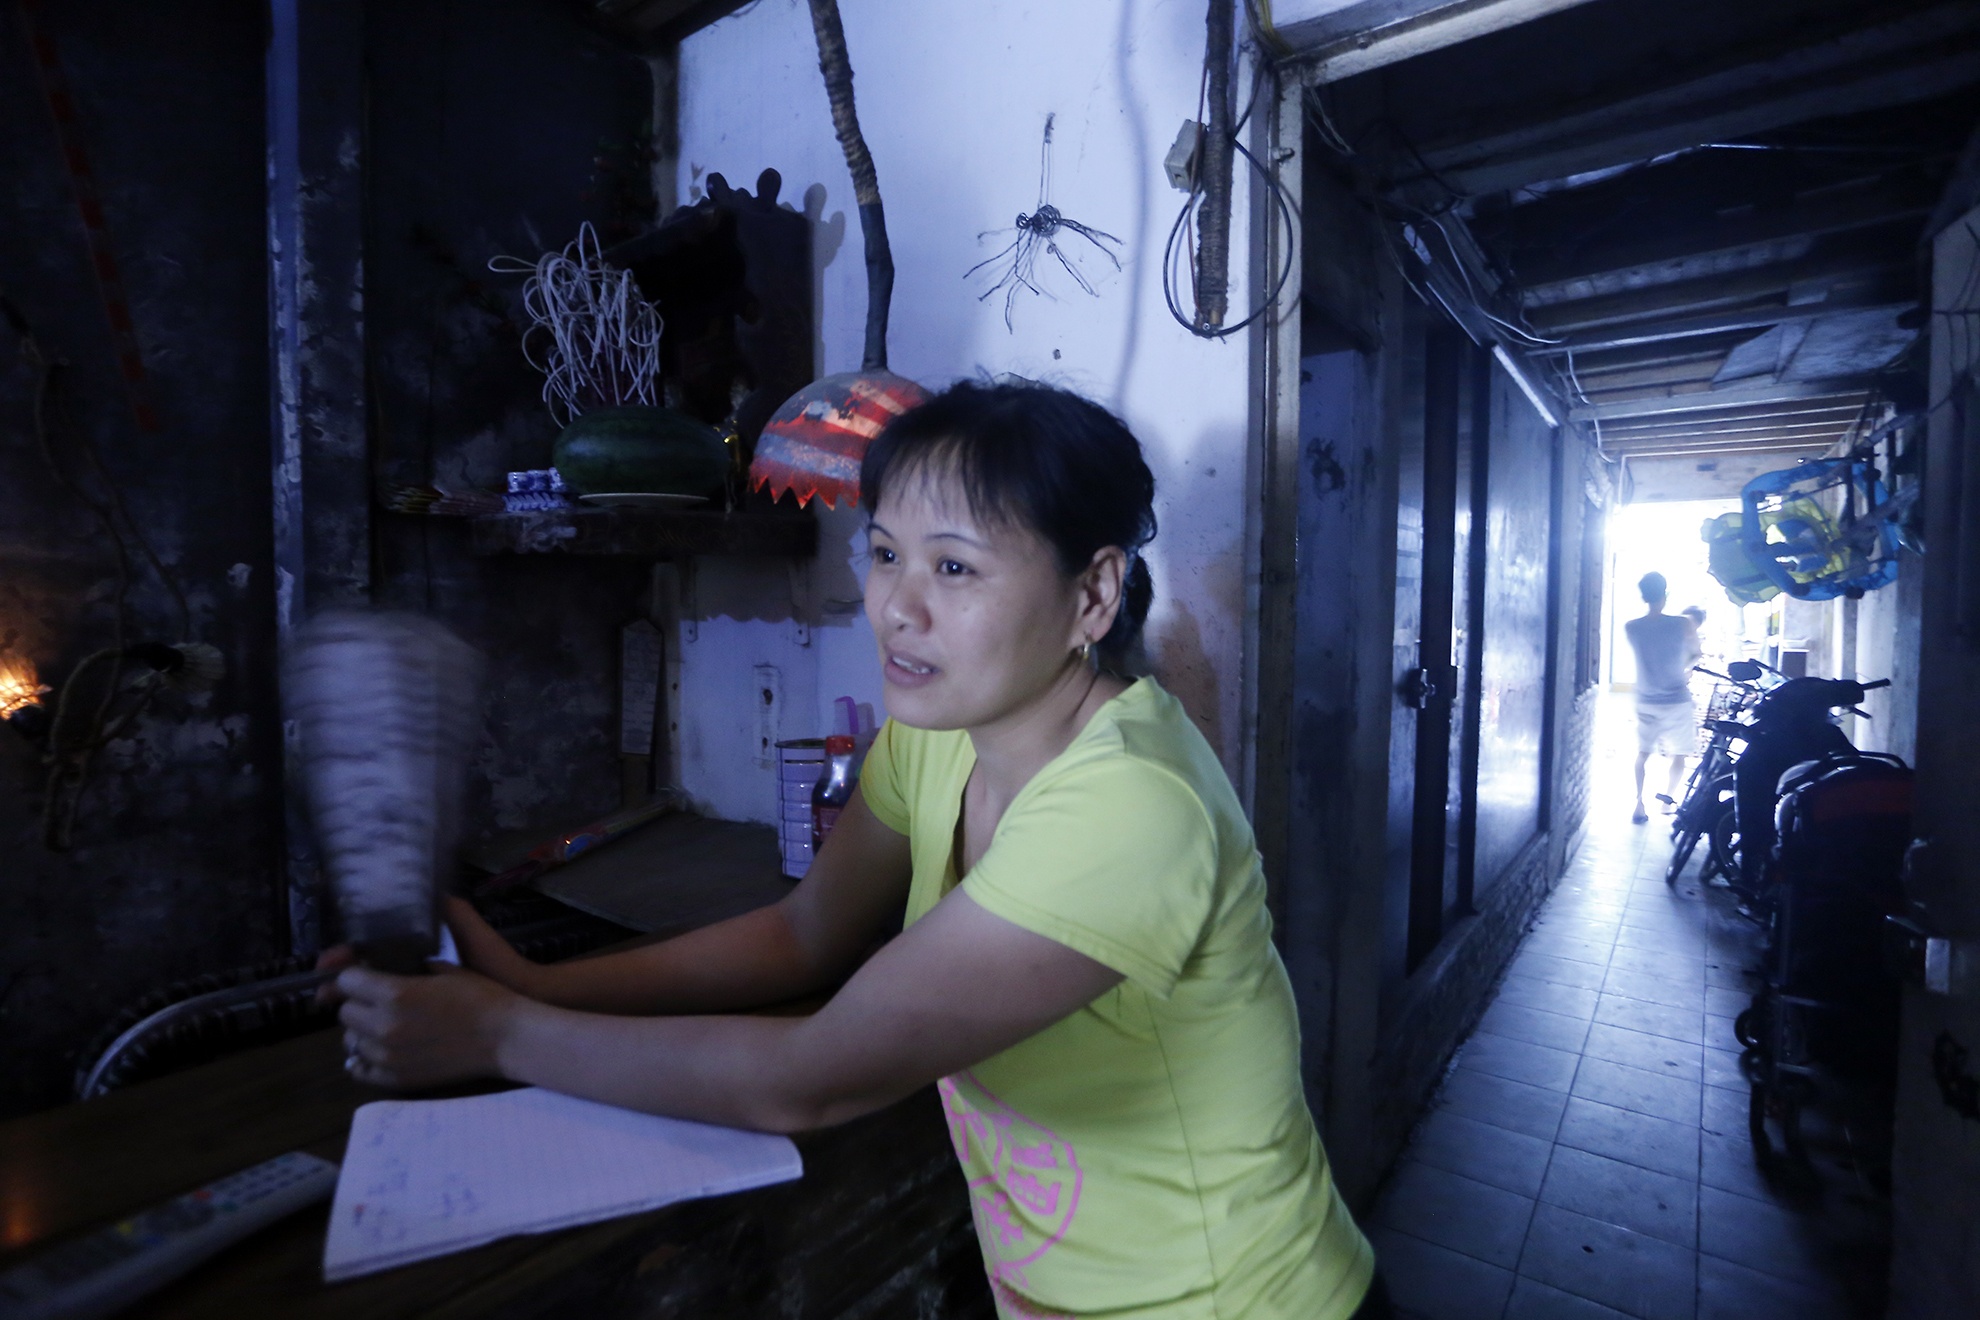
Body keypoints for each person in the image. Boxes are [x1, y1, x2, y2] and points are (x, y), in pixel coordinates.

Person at [326, 381, 1382, 1320]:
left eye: (954, 567)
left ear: (1092, 596)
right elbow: (804, 933)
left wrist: (500, 1034)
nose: (896, 609)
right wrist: (532, 984)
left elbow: (809, 1078)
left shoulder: (1131, 808)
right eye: (883, 554)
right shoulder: (941, 735)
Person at [1623, 571, 1701, 824]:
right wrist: (1685, 668)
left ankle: (1638, 804)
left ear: (1643, 596)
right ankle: (1666, 803)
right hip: (1677, 699)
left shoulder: (1632, 627)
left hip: (1645, 699)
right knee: (1679, 754)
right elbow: (1696, 654)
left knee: (1642, 754)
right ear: (1665, 594)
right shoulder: (1682, 624)